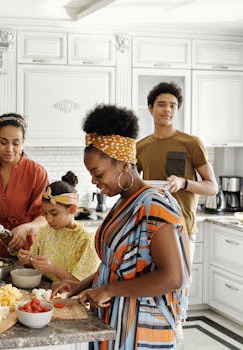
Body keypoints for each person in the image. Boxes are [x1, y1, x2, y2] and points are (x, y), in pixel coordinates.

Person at [53, 104, 191, 350]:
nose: (94, 182)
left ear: (123, 164)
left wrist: (110, 289)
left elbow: (173, 278)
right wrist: (81, 285)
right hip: (115, 321)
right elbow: (118, 267)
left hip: (142, 329)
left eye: (97, 173)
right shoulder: (124, 202)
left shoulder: (154, 205)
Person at [137, 82, 217, 258]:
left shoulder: (191, 143)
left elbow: (212, 187)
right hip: (151, 227)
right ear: (150, 108)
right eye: (161, 104)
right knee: (152, 284)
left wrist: (184, 183)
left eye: (172, 106)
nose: (167, 110)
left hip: (182, 227)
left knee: (181, 284)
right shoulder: (140, 147)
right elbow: (133, 185)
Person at [0, 113, 48, 257]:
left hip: (29, 243)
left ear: (23, 142)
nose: (9, 149)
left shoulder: (37, 172)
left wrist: (27, 228)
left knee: (27, 279)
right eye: (3, 142)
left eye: (16, 143)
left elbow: (44, 216)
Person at [17, 171, 100, 282]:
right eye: (45, 213)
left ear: (72, 209)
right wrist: (29, 261)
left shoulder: (86, 241)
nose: (49, 219)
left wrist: (54, 269)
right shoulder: (45, 232)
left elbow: (82, 285)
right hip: (43, 293)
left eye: (54, 213)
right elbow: (35, 268)